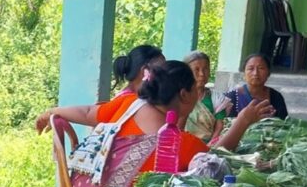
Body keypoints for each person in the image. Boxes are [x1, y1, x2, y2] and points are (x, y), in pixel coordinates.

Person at [114, 61, 273, 174]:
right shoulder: (179, 143)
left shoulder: (125, 103)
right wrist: (243, 121)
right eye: (194, 88)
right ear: (184, 95)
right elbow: (213, 160)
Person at [33, 44, 166, 132]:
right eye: (163, 70)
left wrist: (52, 111)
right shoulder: (134, 103)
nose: (167, 76)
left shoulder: (127, 99)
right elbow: (87, 113)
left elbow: (88, 113)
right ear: (145, 72)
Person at [221, 54, 289, 119]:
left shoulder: (276, 97)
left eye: (261, 68)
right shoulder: (232, 97)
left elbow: (283, 123)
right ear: (244, 73)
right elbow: (226, 124)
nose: (255, 73)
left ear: (268, 73)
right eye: (250, 68)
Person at [182, 51, 225, 143]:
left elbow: (219, 127)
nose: (202, 74)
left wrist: (209, 146)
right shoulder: (178, 97)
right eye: (196, 70)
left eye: (205, 69)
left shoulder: (217, 98)